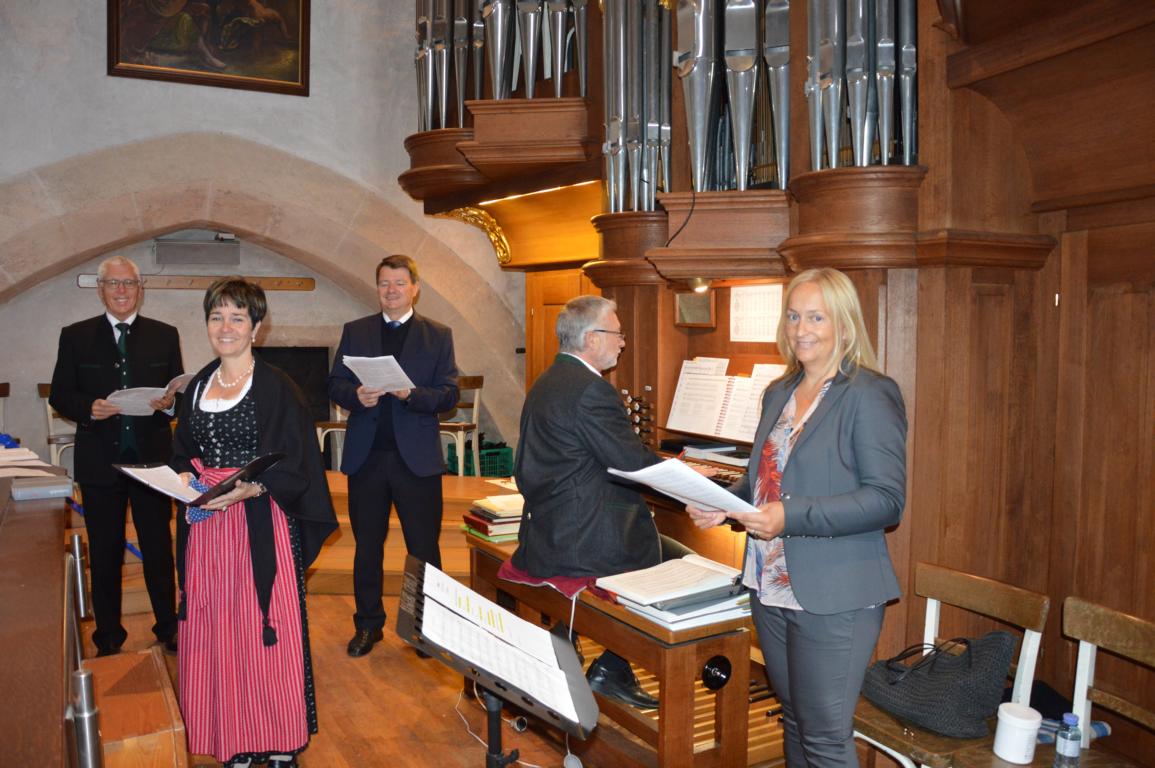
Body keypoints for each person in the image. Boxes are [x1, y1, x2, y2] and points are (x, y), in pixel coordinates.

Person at [688, 268, 908, 767]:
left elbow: (886, 500)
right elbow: (764, 482)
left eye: (816, 317)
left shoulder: (869, 393)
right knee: (794, 720)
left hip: (835, 594)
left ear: (844, 324)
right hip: (769, 584)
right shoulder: (779, 391)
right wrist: (723, 502)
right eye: (793, 316)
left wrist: (791, 516)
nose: (800, 329)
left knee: (826, 738)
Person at [170, 278, 337, 768]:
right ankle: (234, 738)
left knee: (264, 628)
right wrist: (184, 477)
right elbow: (183, 451)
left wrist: (254, 488)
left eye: (237, 318)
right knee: (217, 629)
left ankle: (279, 740)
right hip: (208, 526)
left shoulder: (277, 388)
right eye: (216, 316)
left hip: (258, 522)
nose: (225, 327)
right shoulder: (198, 386)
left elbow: (298, 461)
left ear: (256, 328)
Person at [510, 295, 690, 709]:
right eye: (618, 334)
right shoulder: (591, 390)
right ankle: (613, 667)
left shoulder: (549, 379)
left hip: (551, 528)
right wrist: (692, 486)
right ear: (591, 338)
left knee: (661, 543)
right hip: (581, 540)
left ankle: (567, 639)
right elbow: (632, 463)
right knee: (686, 564)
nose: (623, 343)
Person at [327, 254, 459, 658]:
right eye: (384, 283)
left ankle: (425, 629)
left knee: (423, 549)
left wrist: (411, 394)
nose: (391, 290)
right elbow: (335, 383)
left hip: (416, 460)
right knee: (367, 547)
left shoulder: (438, 335)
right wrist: (356, 395)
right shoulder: (356, 330)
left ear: (414, 288)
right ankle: (368, 625)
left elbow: (449, 394)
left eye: (399, 283)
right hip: (367, 457)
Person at [50, 255, 181, 657]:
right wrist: (89, 407)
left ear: (140, 289)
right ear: (101, 290)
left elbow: (176, 392)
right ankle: (108, 636)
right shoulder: (75, 336)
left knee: (158, 549)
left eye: (129, 283)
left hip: (151, 461)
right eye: (113, 283)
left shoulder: (165, 334)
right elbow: (60, 394)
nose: (121, 291)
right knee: (105, 553)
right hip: (99, 463)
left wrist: (169, 404)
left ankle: (168, 627)